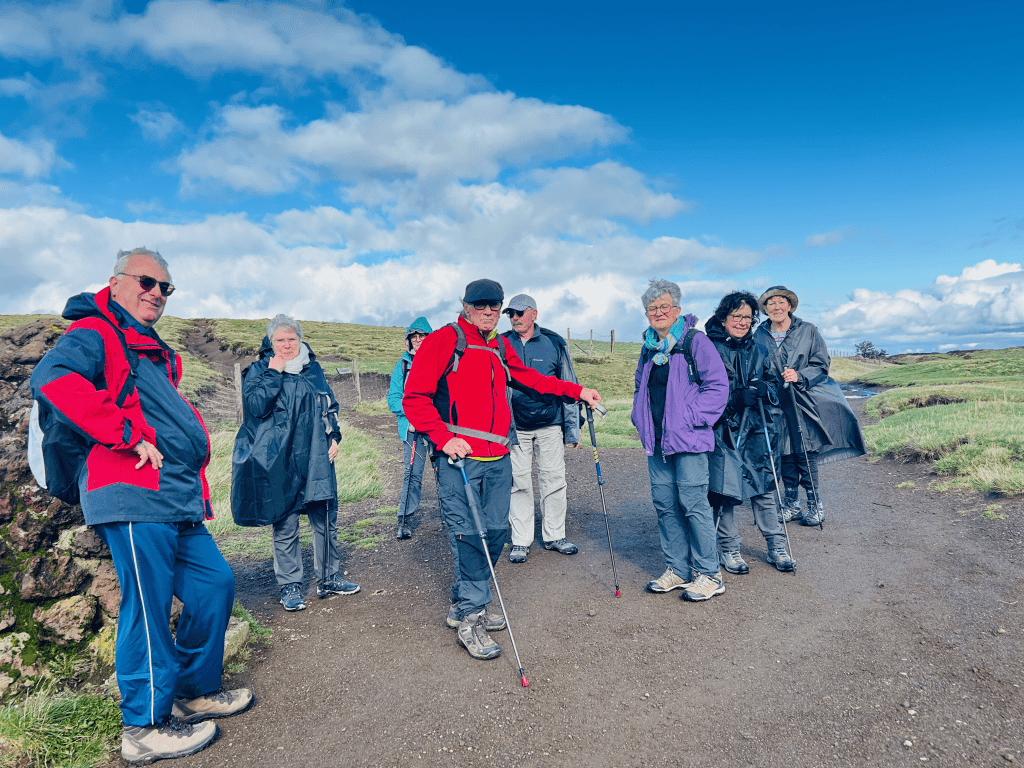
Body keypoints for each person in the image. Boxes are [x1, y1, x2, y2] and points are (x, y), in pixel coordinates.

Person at [31, 248, 253, 764]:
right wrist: (125, 432)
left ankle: (192, 690)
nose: (156, 292)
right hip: (129, 491)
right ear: (116, 282)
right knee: (147, 605)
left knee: (214, 583)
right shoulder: (95, 332)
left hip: (172, 495)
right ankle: (144, 726)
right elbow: (54, 381)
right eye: (146, 281)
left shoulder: (149, 347)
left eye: (165, 287)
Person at [403, 279, 602, 661]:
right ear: (465, 306)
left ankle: (465, 601)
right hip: (459, 458)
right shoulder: (446, 340)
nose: (490, 312)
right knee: (467, 534)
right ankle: (470, 617)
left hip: (498, 458)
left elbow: (529, 378)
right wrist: (444, 438)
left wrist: (576, 392)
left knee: (495, 533)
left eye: (495, 306)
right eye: (482, 306)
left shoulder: (497, 344)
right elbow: (415, 397)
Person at [231, 315, 360, 612]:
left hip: (316, 455)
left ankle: (329, 577)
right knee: (285, 522)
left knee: (324, 518)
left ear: (300, 340)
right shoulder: (260, 370)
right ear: (270, 343)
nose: (287, 345)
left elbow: (329, 405)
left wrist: (335, 437)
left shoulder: (313, 369)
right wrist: (274, 374)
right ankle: (290, 586)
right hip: (280, 458)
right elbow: (254, 407)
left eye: (292, 339)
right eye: (280, 340)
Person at [631, 279, 730, 602]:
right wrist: (638, 417)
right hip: (657, 443)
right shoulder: (648, 347)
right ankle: (679, 569)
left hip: (688, 440)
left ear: (677, 309)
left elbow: (717, 386)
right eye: (652, 309)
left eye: (664, 307)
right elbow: (639, 389)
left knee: (693, 505)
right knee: (665, 505)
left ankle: (709, 574)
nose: (658, 313)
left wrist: (690, 417)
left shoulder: (694, 342)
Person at [752, 286, 866, 526]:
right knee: (783, 452)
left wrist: (800, 375)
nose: (776, 307)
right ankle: (791, 503)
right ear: (765, 309)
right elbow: (755, 366)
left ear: (790, 306)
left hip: (802, 397)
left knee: (805, 449)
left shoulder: (808, 330)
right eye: (771, 304)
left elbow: (821, 362)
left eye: (781, 302)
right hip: (774, 401)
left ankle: (815, 504)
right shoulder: (759, 335)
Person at [705, 291, 796, 574]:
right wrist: (734, 399)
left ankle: (776, 546)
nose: (743, 322)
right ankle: (729, 549)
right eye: (737, 316)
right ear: (723, 317)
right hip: (722, 429)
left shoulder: (758, 348)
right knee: (725, 490)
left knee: (765, 486)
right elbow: (701, 391)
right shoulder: (707, 348)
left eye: (748, 317)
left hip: (757, 426)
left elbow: (774, 386)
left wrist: (763, 390)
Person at [501, 294, 581, 564]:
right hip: (515, 427)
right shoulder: (501, 344)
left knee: (554, 479)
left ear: (534, 313)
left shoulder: (554, 342)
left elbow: (568, 382)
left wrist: (573, 429)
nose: (515, 318)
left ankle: (554, 536)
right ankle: (521, 541)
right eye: (511, 314)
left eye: (520, 313)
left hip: (550, 424)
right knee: (518, 482)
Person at [387, 317, 434, 540]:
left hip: (437, 428)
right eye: (414, 337)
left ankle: (451, 517)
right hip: (413, 429)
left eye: (422, 336)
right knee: (412, 474)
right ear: (408, 340)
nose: (417, 340)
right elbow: (394, 399)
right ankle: (404, 520)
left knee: (445, 473)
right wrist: (412, 414)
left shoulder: (439, 362)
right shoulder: (403, 365)